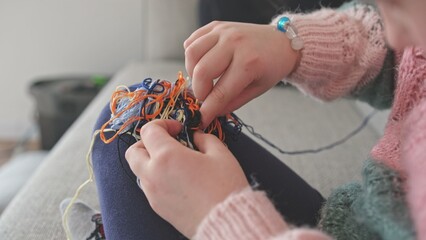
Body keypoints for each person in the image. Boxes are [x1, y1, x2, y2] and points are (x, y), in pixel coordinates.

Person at [61, 0, 426, 239]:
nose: (397, 35)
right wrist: (291, 43)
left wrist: (223, 218)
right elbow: (401, 56)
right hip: (353, 221)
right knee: (134, 116)